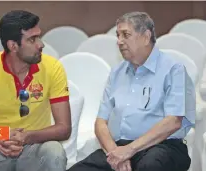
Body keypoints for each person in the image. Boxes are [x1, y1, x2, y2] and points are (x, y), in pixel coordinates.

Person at [68, 11, 195, 171]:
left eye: (125, 35)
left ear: (146, 36)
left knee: (149, 166)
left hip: (163, 146)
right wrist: (116, 154)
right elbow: (101, 122)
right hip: (119, 147)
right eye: (118, 35)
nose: (119, 41)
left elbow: (173, 121)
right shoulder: (116, 73)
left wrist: (130, 150)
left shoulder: (173, 70)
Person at [0, 10, 72, 171]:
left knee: (54, 151)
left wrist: (27, 136)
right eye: (32, 39)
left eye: (39, 36)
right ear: (13, 46)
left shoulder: (53, 68)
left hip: (33, 149)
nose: (41, 44)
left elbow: (64, 129)